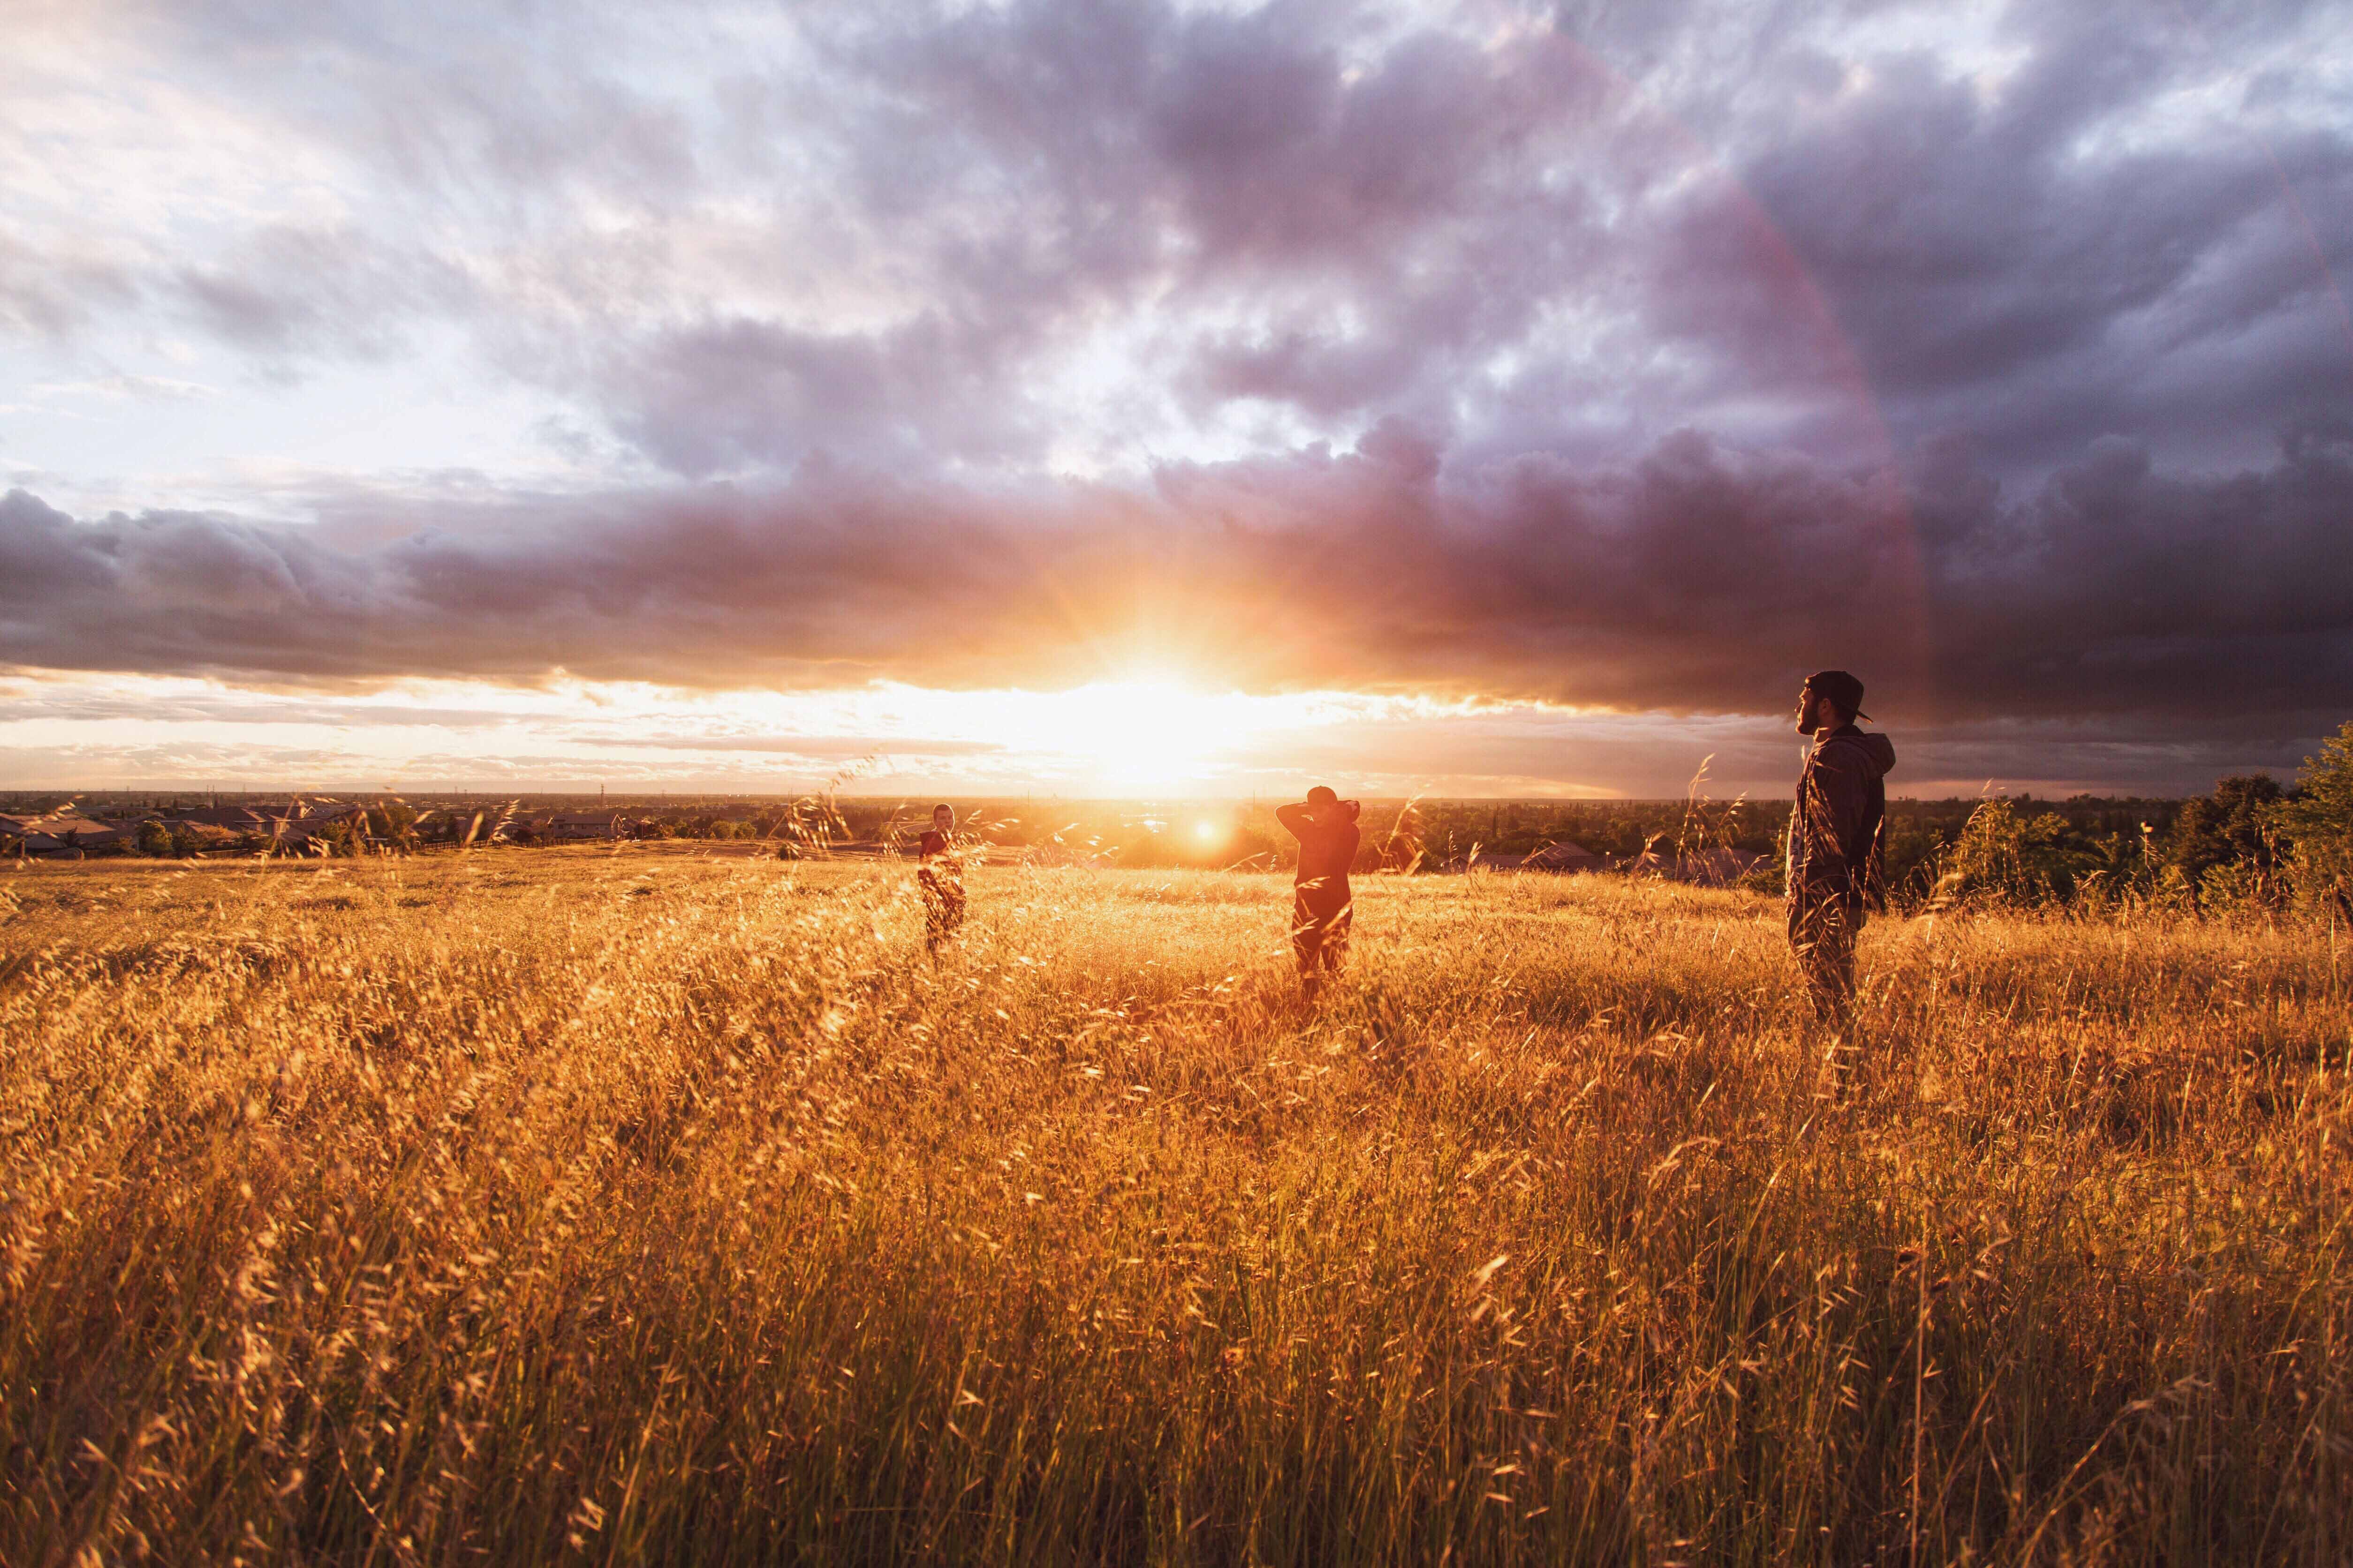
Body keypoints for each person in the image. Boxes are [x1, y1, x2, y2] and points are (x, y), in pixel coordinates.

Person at [1786, 671, 1896, 1025]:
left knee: (1833, 1003)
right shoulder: (1832, 751)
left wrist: (1813, 896)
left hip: (1826, 899)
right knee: (1829, 998)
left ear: (1825, 705)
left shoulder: (1842, 758)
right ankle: (1840, 1064)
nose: (1798, 707)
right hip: (1827, 895)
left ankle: (1845, 1071)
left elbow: (1834, 836)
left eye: (1804, 700)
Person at [1276, 786, 1361, 998]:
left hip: (1336, 907)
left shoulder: (1349, 832)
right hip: (1306, 906)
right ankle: (1309, 1008)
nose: (1316, 815)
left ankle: (1340, 1011)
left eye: (1321, 810)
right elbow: (1282, 812)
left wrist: (1337, 810)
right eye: (1312, 810)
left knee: (1336, 967)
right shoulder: (1307, 829)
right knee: (1306, 967)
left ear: (1333, 809)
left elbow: (1353, 812)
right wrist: (1311, 807)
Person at [918, 803, 966, 953]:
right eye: (943, 818)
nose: (948, 821)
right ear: (935, 822)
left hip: (954, 903)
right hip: (940, 906)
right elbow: (925, 877)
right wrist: (939, 901)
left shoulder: (950, 841)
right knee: (938, 946)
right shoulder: (932, 844)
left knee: (951, 946)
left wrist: (960, 896)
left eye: (951, 817)